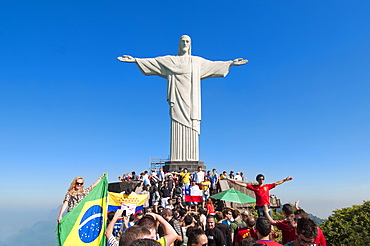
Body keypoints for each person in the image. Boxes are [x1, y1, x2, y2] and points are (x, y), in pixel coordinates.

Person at [117, 35, 248, 162]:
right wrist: (135, 60)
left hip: (192, 101)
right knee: (176, 123)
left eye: (187, 42)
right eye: (183, 42)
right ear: (179, 45)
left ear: (190, 45)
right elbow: (154, 61)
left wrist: (230, 63)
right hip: (177, 99)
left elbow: (213, 65)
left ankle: (191, 158)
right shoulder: (171, 60)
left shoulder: (197, 62)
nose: (185, 44)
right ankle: (177, 158)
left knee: (191, 125)